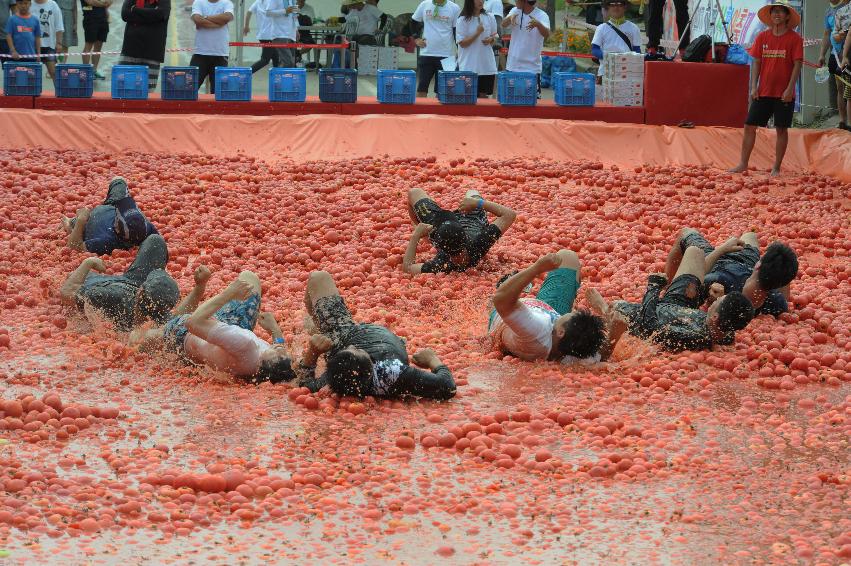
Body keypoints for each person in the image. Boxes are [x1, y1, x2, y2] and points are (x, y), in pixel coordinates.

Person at [299, 270, 456, 400]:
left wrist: (312, 353)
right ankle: (317, 331)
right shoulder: (391, 373)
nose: (353, 346)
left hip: (341, 334)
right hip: (356, 334)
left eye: (349, 350)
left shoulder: (337, 378)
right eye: (359, 350)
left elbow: (304, 385)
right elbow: (448, 388)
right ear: (373, 365)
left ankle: (316, 331)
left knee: (318, 277)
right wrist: (432, 359)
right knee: (320, 278)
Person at [134, 271, 297, 385]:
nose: (280, 349)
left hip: (185, 336)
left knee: (140, 340)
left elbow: (193, 323)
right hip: (229, 329)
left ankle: (198, 289)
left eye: (277, 351)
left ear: (262, 359)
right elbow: (280, 355)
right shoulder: (266, 370)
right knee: (249, 278)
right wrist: (275, 331)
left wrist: (229, 293)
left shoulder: (245, 344)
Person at [612, 244, 755, 352]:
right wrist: (708, 298)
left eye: (718, 301)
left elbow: (649, 327)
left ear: (715, 317)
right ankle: (719, 251)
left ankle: (604, 307)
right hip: (678, 307)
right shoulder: (726, 332)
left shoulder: (691, 336)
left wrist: (653, 287)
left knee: (612, 307)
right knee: (695, 251)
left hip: (638, 316)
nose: (718, 299)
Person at [488, 251, 620, 363]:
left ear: (561, 332)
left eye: (574, 314)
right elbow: (602, 354)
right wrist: (605, 311)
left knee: (501, 295)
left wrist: (536, 269)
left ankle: (508, 283)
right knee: (567, 257)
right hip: (545, 309)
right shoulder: (578, 352)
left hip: (505, 315)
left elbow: (501, 300)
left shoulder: (536, 330)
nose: (575, 311)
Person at [730, 1, 803, 177]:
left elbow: (797, 65)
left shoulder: (795, 39)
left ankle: (776, 167)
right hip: (763, 91)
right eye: (774, 11)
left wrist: (789, 89)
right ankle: (743, 163)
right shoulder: (762, 37)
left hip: (784, 94)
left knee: (781, 129)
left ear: (787, 16)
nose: (777, 14)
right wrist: (753, 86)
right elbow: (756, 62)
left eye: (780, 12)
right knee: (749, 125)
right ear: (770, 16)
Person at [59, 234, 181, 332]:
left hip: (113, 288)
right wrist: (199, 286)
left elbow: (66, 294)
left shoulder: (109, 297)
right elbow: (185, 316)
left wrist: (88, 262)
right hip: (137, 286)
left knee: (74, 278)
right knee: (156, 241)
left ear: (141, 292)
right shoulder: (163, 316)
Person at [664, 228, 797, 317]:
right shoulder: (777, 303)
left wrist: (722, 249)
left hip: (721, 262)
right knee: (750, 235)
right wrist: (780, 270)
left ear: (759, 265)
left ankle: (668, 287)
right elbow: (783, 292)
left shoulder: (718, 282)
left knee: (686, 233)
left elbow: (692, 275)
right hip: (746, 262)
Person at [404, 188, 516, 274]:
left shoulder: (442, 264)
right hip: (472, 217)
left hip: (443, 223)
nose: (459, 259)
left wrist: (416, 235)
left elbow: (408, 267)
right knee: (472, 193)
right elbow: (510, 214)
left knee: (414, 192)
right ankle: (473, 199)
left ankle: (423, 230)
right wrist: (477, 203)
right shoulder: (480, 243)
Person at [60, 177, 159, 256]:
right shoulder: (146, 230)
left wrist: (81, 220)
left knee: (70, 224)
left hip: (90, 220)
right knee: (119, 180)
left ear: (117, 227)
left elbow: (73, 247)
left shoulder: (106, 242)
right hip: (113, 205)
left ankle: (70, 223)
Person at [411, 0, 461, 97]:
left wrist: (460, 51)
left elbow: (456, 31)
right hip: (427, 53)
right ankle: (421, 112)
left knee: (443, 91)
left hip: (447, 55)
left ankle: (439, 112)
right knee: (422, 88)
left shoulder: (454, 7)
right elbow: (413, 22)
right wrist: (416, 39)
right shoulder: (424, 4)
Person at [118, 0, 170, 90]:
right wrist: (151, 15)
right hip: (130, 50)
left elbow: (161, 14)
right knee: (124, 89)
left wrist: (135, 10)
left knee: (147, 92)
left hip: (152, 53)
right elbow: (125, 14)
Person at [502, 0, 549, 95]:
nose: (515, 1)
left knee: (532, 104)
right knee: (511, 102)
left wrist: (538, 24)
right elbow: (503, 24)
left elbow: (547, 34)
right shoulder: (515, 10)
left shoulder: (542, 15)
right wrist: (509, 18)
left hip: (532, 68)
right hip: (513, 66)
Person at [190, 0, 233, 95]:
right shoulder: (198, 2)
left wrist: (205, 17)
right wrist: (218, 24)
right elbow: (197, 19)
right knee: (190, 89)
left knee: (218, 93)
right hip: (200, 53)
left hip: (220, 54)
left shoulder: (227, 3)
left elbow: (227, 17)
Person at [456, 0, 498, 97]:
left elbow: (495, 36)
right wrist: (477, 33)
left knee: (484, 97)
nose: (481, 1)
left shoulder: (490, 17)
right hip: (469, 66)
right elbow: (462, 43)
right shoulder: (462, 20)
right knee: (468, 97)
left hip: (486, 65)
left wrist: (491, 39)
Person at [590, 0, 641, 77]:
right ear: (608, 7)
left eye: (619, 4)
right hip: (606, 72)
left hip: (626, 73)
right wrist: (610, 57)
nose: (616, 7)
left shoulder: (634, 28)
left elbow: (637, 50)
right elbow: (594, 50)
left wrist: (628, 57)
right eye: (612, 4)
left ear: (625, 7)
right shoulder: (601, 28)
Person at [819, 0, 848, 130]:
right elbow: (826, 33)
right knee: (840, 88)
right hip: (835, 55)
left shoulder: (848, 6)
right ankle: (842, 121)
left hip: (848, 54)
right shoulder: (828, 12)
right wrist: (821, 54)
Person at [245, 0, 280, 73]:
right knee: (265, 60)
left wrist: (246, 26)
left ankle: (277, 79)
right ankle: (246, 73)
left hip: (263, 35)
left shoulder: (258, 2)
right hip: (269, 35)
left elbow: (249, 12)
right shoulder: (272, 2)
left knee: (276, 58)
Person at [79, 0, 110, 79]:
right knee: (88, 46)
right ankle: (86, 72)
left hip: (103, 19)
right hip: (90, 19)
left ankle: (94, 71)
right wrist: (103, 4)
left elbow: (110, 1)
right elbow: (90, 2)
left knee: (98, 47)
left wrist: (104, 4)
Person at [34, 0, 63, 78]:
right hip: (32, 46)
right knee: (31, 73)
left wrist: (59, 43)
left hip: (49, 46)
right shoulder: (28, 4)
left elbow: (59, 25)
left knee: (54, 72)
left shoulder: (52, 4)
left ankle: (59, 90)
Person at [835, 0, 851, 128]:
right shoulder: (840, 12)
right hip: (847, 57)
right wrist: (844, 56)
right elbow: (848, 35)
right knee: (848, 92)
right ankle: (848, 124)